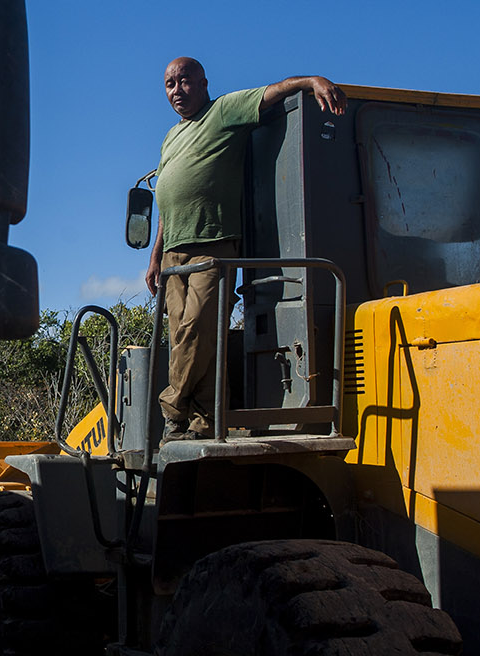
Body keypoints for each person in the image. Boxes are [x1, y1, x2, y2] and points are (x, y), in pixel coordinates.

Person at [146, 57, 346, 441]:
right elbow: (166, 202)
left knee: (197, 331)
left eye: (184, 81)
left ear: (203, 83)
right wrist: (155, 256)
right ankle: (203, 424)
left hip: (214, 246)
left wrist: (311, 80)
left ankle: (172, 407)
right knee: (190, 341)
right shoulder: (171, 137)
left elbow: (272, 92)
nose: (176, 90)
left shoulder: (222, 112)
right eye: (169, 84)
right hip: (173, 253)